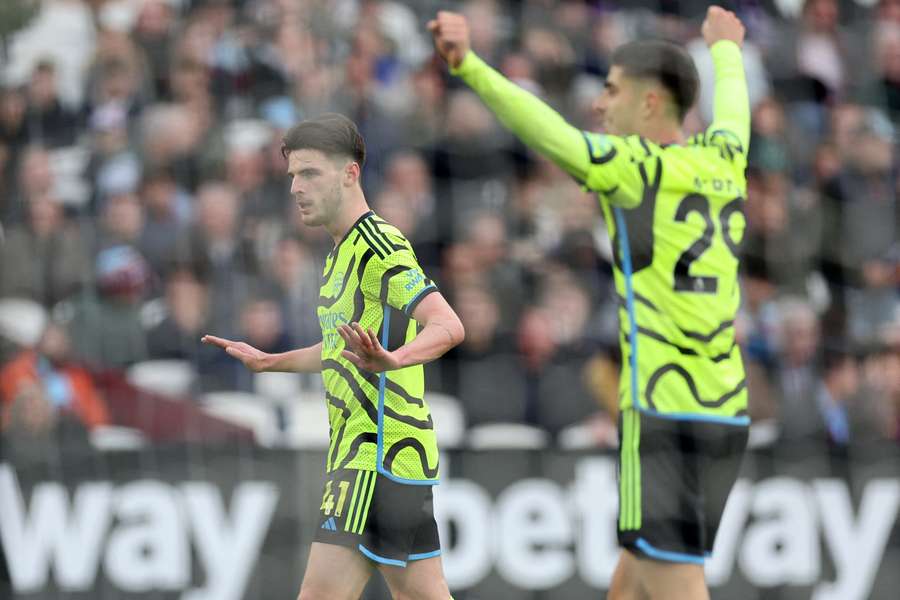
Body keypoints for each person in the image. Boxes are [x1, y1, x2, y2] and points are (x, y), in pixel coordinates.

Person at [430, 6, 750, 600]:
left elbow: (548, 134)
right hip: (726, 412)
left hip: (663, 410)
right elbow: (735, 106)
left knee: (676, 583)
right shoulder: (726, 157)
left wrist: (468, 65)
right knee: (634, 578)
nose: (600, 105)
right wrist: (727, 49)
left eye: (611, 90)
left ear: (650, 103)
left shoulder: (634, 169)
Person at [201, 113, 463, 600]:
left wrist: (396, 359)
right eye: (293, 176)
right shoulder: (339, 251)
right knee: (422, 595)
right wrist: (269, 361)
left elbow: (448, 324)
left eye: (310, 173)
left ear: (350, 173)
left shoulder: (378, 247)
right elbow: (343, 350)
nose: (297, 188)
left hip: (376, 451)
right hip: (375, 454)